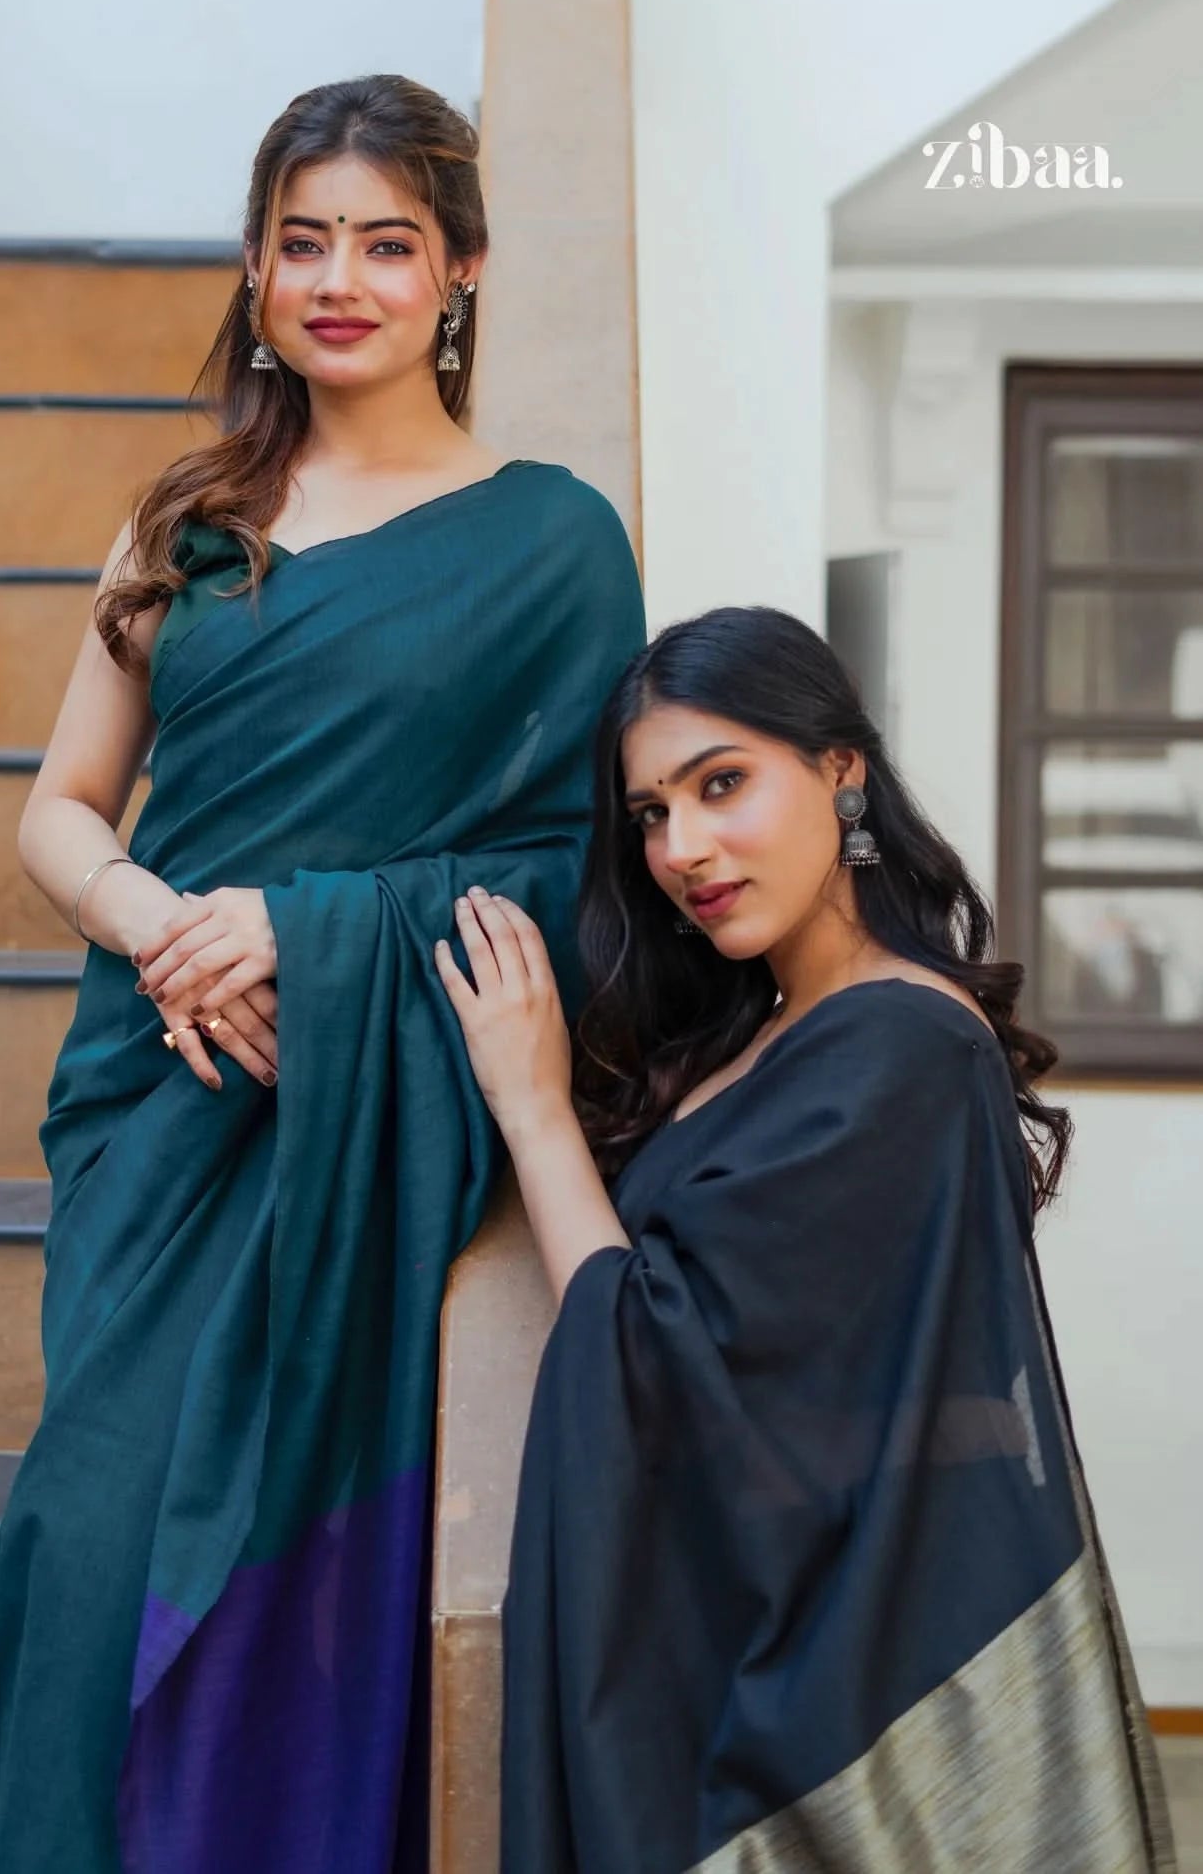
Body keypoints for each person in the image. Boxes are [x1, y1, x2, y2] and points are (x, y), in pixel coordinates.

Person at [0, 74, 644, 1874]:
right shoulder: (190, 519)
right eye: (302, 240)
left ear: (462, 274)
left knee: (281, 1584)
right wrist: (164, 929)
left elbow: (575, 871)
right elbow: (61, 811)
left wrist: (312, 927)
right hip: (159, 1109)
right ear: (258, 268)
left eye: (387, 243)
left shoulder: (552, 541)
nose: (339, 278)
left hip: (348, 1109)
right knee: (85, 1541)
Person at [437, 606, 1175, 1873]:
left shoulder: (902, 1046)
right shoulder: (765, 1033)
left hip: (857, 1695)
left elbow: (667, 1352)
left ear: (841, 772)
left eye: (721, 784)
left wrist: (533, 1108)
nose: (684, 847)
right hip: (781, 1649)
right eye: (653, 815)